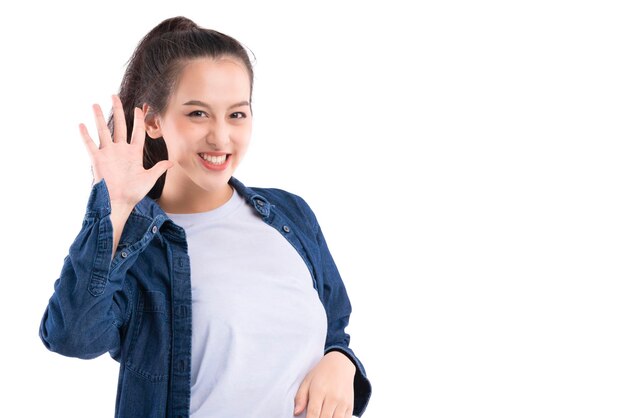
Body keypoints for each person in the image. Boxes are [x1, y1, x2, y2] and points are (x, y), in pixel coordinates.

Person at [39, 16, 371, 418]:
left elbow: (334, 327)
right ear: (153, 121)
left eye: (236, 114)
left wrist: (341, 360)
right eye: (198, 114)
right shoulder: (138, 245)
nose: (220, 137)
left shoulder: (291, 215)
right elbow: (71, 336)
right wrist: (115, 209)